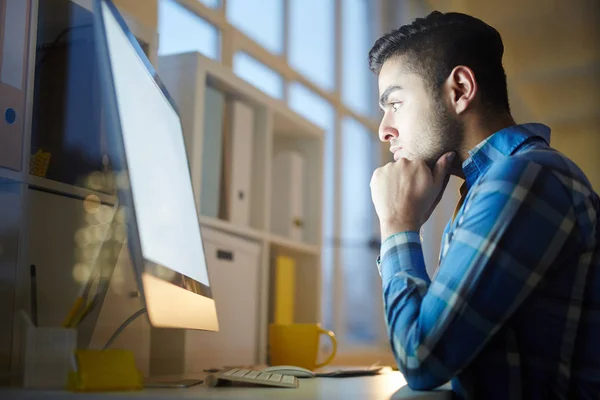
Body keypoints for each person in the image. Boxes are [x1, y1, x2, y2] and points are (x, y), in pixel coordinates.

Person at [368, 10, 600, 399]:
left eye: (395, 104)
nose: (384, 128)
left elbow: (421, 358)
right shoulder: (498, 183)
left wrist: (397, 224)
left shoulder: (524, 178)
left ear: (459, 89)